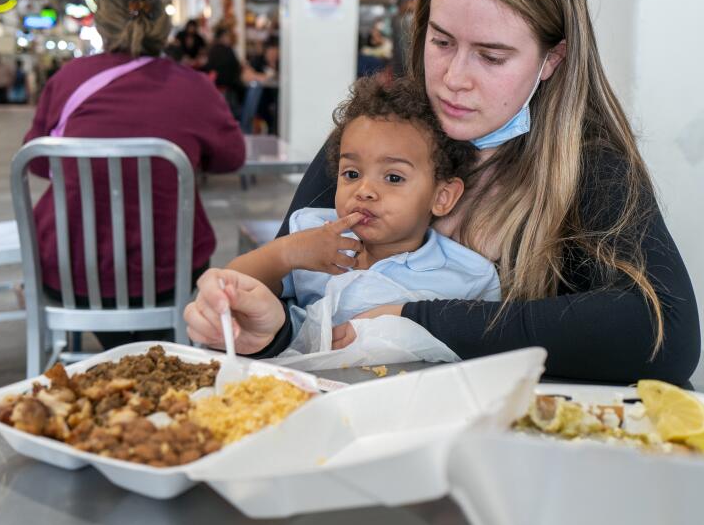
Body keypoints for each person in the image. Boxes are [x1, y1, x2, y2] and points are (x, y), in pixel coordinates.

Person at [185, 0, 701, 384]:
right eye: (441, 42)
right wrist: (253, 324)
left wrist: (414, 321)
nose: (455, 80)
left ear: (552, 59)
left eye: (492, 56)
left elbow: (665, 336)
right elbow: (289, 306)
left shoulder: (589, 166)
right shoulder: (378, 139)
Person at [24, 0, 246, 349]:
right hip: (167, 274)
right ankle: (148, 353)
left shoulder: (68, 79)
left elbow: (40, 162)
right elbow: (231, 157)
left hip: (69, 271)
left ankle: (117, 353)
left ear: (102, 26)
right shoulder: (193, 87)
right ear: (164, 27)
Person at [208, 76, 499, 349]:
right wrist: (286, 253)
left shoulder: (468, 276)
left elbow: (486, 353)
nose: (365, 190)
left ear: (442, 196)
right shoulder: (314, 233)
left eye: (393, 178)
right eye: (351, 173)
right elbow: (229, 290)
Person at [205, 25, 244, 114]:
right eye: (227, 36)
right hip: (229, 85)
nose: (229, 38)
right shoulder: (227, 50)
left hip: (216, 85)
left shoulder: (212, 50)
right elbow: (236, 66)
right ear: (222, 37)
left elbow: (209, 67)